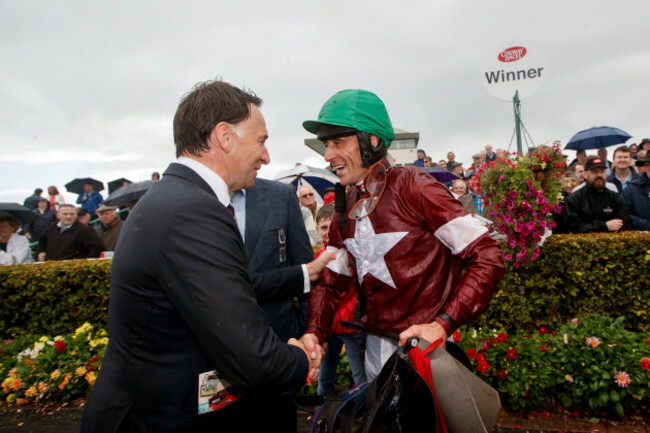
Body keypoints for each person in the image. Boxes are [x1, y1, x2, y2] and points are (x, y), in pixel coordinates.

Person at [81, 80, 321, 433]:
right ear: (224, 137)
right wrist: (299, 357)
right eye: (261, 141)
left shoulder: (174, 198)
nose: (266, 156)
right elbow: (252, 357)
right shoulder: (194, 212)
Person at [300, 89, 505, 381]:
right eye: (326, 144)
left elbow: (488, 255)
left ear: (372, 141)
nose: (328, 155)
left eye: (337, 142)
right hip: (374, 356)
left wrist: (442, 325)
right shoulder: (343, 209)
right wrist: (314, 333)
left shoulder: (416, 186)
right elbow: (331, 284)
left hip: (427, 356)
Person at [314, 204, 367, 396]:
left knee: (358, 371)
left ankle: (359, 409)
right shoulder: (320, 256)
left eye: (332, 226)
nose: (329, 232)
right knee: (328, 368)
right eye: (324, 227)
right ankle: (324, 406)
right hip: (334, 322)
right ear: (317, 229)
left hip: (346, 321)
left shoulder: (350, 253)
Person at [562, 158, 631, 234]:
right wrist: (603, 226)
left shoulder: (614, 197)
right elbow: (573, 227)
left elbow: (625, 223)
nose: (599, 175)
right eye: (595, 172)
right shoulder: (575, 199)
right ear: (585, 175)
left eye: (602, 171)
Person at [36, 204, 103, 261]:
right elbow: (42, 240)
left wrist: (83, 264)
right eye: (65, 214)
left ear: (76, 215)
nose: (68, 217)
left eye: (72, 214)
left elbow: (96, 248)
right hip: (52, 267)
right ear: (57, 215)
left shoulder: (85, 230)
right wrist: (41, 251)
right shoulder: (51, 227)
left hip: (72, 270)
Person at [621, 154, 650, 230]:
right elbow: (624, 214)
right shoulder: (631, 189)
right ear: (645, 167)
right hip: (641, 237)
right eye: (648, 165)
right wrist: (646, 225)